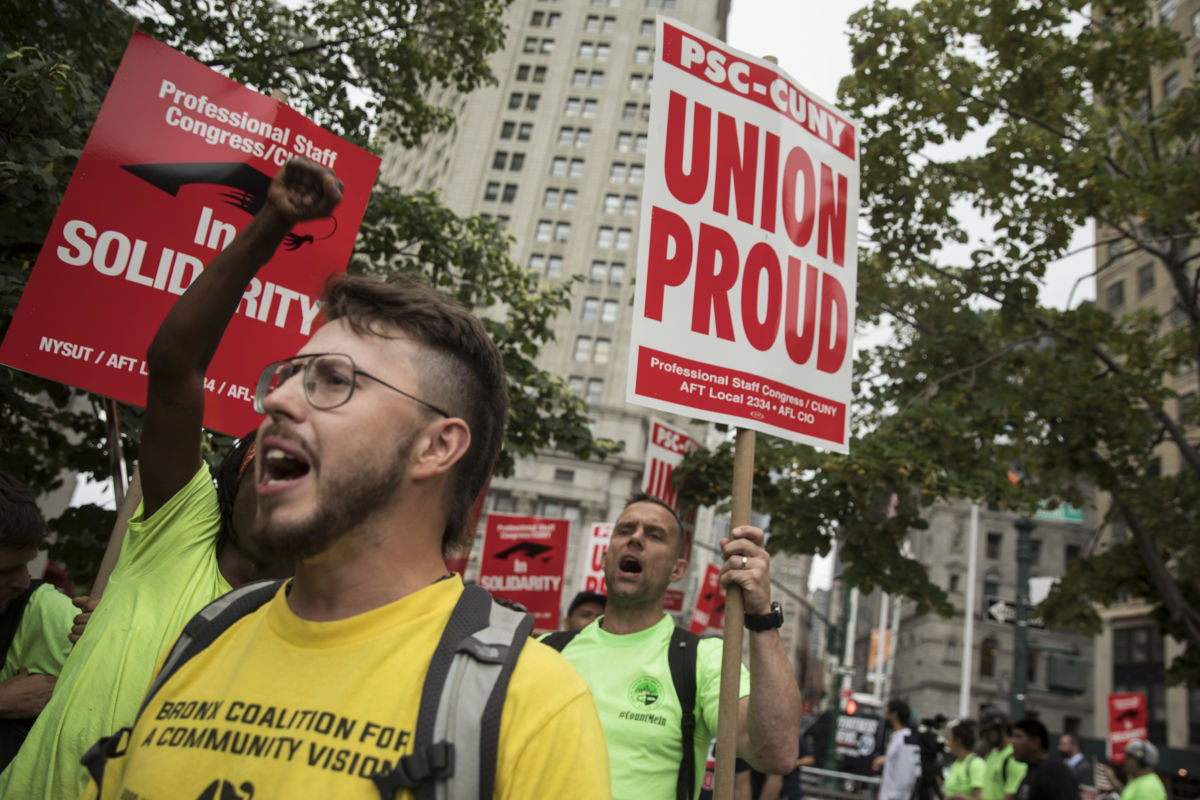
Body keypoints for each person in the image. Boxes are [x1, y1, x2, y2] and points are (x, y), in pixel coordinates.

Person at [79, 160, 610, 799]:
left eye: (333, 380)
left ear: (436, 446)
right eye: (287, 376)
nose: (276, 403)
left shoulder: (531, 707)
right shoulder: (203, 640)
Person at [0, 163, 319, 800]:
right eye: (267, 463)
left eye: (305, 471)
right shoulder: (181, 527)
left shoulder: (313, 617)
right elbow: (176, 368)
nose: (279, 484)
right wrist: (272, 225)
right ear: (227, 482)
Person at [552, 493, 801, 799]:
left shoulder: (701, 661)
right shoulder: (546, 653)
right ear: (605, 557)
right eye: (625, 531)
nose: (636, 539)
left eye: (655, 535)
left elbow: (777, 753)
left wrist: (762, 614)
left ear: (677, 570)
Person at [0, 471, 76, 769]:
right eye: (4, 571)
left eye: (27, 564)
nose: (22, 580)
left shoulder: (47, 613)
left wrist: (106, 632)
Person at [1010, 718, 1079, 800]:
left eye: (1018, 737)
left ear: (1035, 742)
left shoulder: (1054, 770)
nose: (1012, 742)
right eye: (1012, 737)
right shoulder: (1031, 771)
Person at [873, 698, 922, 800]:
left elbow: (906, 776)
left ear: (894, 715)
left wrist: (894, 797)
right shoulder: (898, 738)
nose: (886, 717)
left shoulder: (905, 739)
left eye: (887, 713)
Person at [754, 730, 816, 800]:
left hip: (790, 789)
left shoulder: (796, 737)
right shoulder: (764, 737)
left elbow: (810, 759)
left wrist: (794, 764)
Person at [981, 711, 1027, 800]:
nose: (985, 736)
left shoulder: (1014, 757)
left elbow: (1011, 796)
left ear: (1002, 729)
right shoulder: (991, 754)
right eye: (984, 732)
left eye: (989, 732)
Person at [944, 720, 987, 800]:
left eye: (949, 738)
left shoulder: (976, 764)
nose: (947, 743)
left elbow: (980, 798)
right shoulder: (955, 764)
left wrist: (962, 798)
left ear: (958, 741)